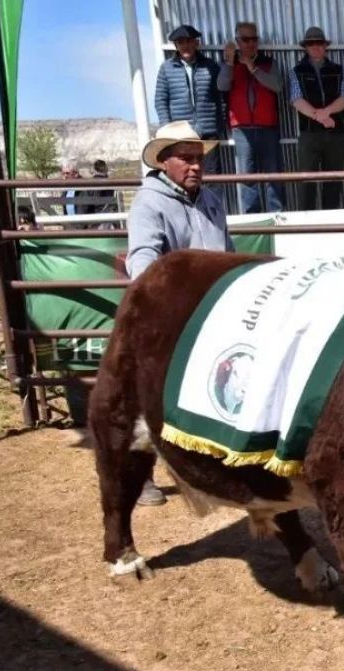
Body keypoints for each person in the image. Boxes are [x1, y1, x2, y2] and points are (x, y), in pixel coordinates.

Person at [127, 120, 234, 505]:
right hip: (171, 315)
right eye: (185, 159)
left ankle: (211, 466)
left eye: (198, 158)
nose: (195, 166)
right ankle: (141, 476)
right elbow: (142, 259)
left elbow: (229, 254)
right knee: (153, 395)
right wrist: (163, 300)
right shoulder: (149, 204)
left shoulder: (211, 201)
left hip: (215, 312)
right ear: (164, 163)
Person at [217, 20, 285, 213]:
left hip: (268, 126)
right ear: (237, 41)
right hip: (242, 128)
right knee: (247, 177)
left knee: (273, 176)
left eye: (254, 39)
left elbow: (278, 86)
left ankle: (277, 217)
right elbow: (222, 86)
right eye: (245, 39)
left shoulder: (268, 62)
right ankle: (251, 218)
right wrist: (230, 63)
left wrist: (253, 68)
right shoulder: (229, 63)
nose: (250, 44)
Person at [289, 26, 344, 211]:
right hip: (309, 134)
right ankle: (306, 223)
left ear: (325, 46)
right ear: (306, 47)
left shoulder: (339, 70)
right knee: (306, 181)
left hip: (336, 134)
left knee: (334, 181)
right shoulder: (296, 71)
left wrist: (326, 113)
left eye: (319, 43)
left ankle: (331, 221)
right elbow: (296, 99)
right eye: (311, 44)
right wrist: (321, 117)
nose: (316, 47)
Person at [154, 24, 224, 173]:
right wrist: (168, 128)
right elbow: (160, 100)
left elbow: (221, 97)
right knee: (185, 176)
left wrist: (220, 124)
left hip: (208, 133)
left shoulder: (211, 66)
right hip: (181, 134)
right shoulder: (166, 69)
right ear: (176, 46)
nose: (185, 46)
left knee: (212, 179)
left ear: (196, 43)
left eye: (188, 41)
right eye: (181, 42)